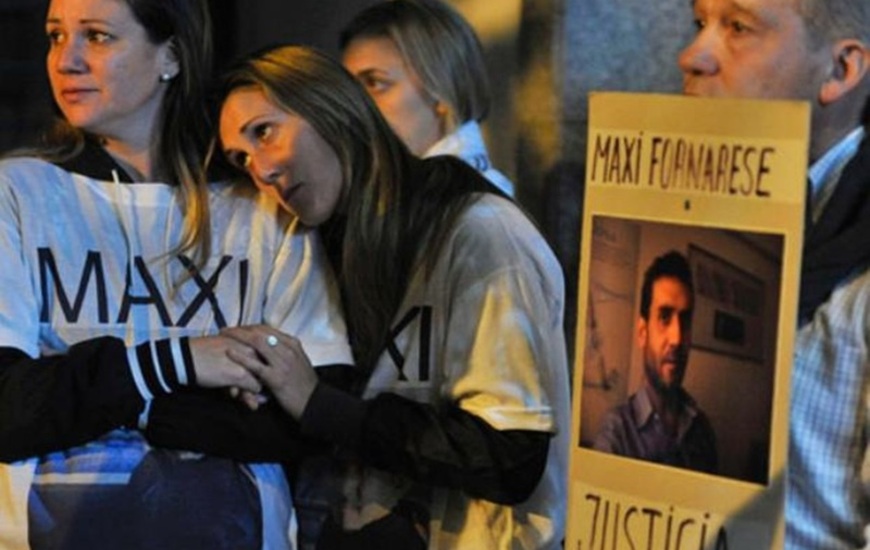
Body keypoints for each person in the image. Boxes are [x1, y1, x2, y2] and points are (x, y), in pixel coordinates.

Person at [0, 0, 351, 548]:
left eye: (96, 37)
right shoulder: (18, 191)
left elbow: (311, 415)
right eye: (54, 36)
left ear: (171, 53)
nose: (65, 61)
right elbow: (9, 409)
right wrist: (181, 362)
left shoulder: (259, 197)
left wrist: (96, 394)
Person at [214, 44, 570, 549]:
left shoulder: (478, 232)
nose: (261, 170)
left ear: (331, 107)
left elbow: (509, 456)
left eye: (265, 132)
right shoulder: (325, 242)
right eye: (241, 158)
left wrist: (319, 404)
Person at [679, 0, 870, 546]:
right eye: (699, 24)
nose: (692, 56)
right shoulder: (675, 214)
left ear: (841, 70)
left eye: (738, 28)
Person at [339, 0, 514, 196]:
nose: (352, 103)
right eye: (348, 87)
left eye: (375, 83)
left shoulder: (472, 205)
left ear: (441, 90)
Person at [593, 250, 717, 474]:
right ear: (642, 332)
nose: (677, 338)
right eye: (664, 317)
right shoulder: (616, 433)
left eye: (685, 320)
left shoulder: (703, 429)